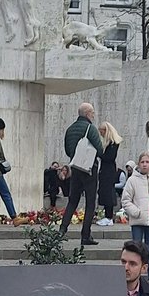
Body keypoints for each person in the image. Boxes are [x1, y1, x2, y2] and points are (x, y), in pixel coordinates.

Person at [58, 102, 102, 248]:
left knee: (72, 200)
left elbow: (67, 150)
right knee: (90, 203)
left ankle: (61, 231)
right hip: (89, 169)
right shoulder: (91, 128)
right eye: (93, 113)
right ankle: (85, 235)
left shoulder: (70, 129)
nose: (94, 115)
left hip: (75, 168)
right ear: (88, 113)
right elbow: (100, 150)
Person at [121, 152, 149, 278]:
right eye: (142, 162)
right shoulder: (132, 180)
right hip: (137, 220)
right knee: (135, 250)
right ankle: (134, 276)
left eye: (147, 162)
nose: (145, 164)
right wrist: (136, 212)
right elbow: (126, 200)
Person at [96, 121, 122, 224]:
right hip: (105, 169)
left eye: (101, 131)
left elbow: (110, 157)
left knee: (108, 192)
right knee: (104, 191)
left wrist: (99, 154)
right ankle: (107, 215)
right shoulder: (108, 143)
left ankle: (109, 216)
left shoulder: (113, 143)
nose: (100, 133)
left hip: (108, 170)